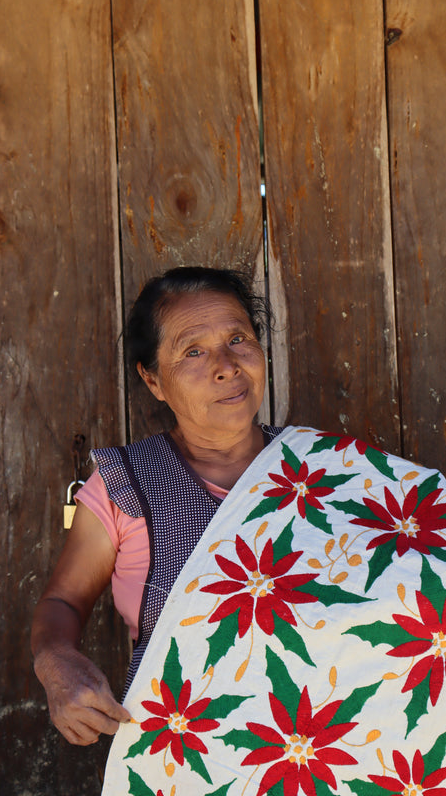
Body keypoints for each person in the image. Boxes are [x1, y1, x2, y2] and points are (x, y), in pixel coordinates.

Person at [31, 266, 282, 747]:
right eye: (193, 351)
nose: (227, 364)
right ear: (153, 380)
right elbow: (62, 601)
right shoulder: (124, 483)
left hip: (322, 750)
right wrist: (54, 658)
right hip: (185, 755)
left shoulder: (323, 471)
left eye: (238, 338)